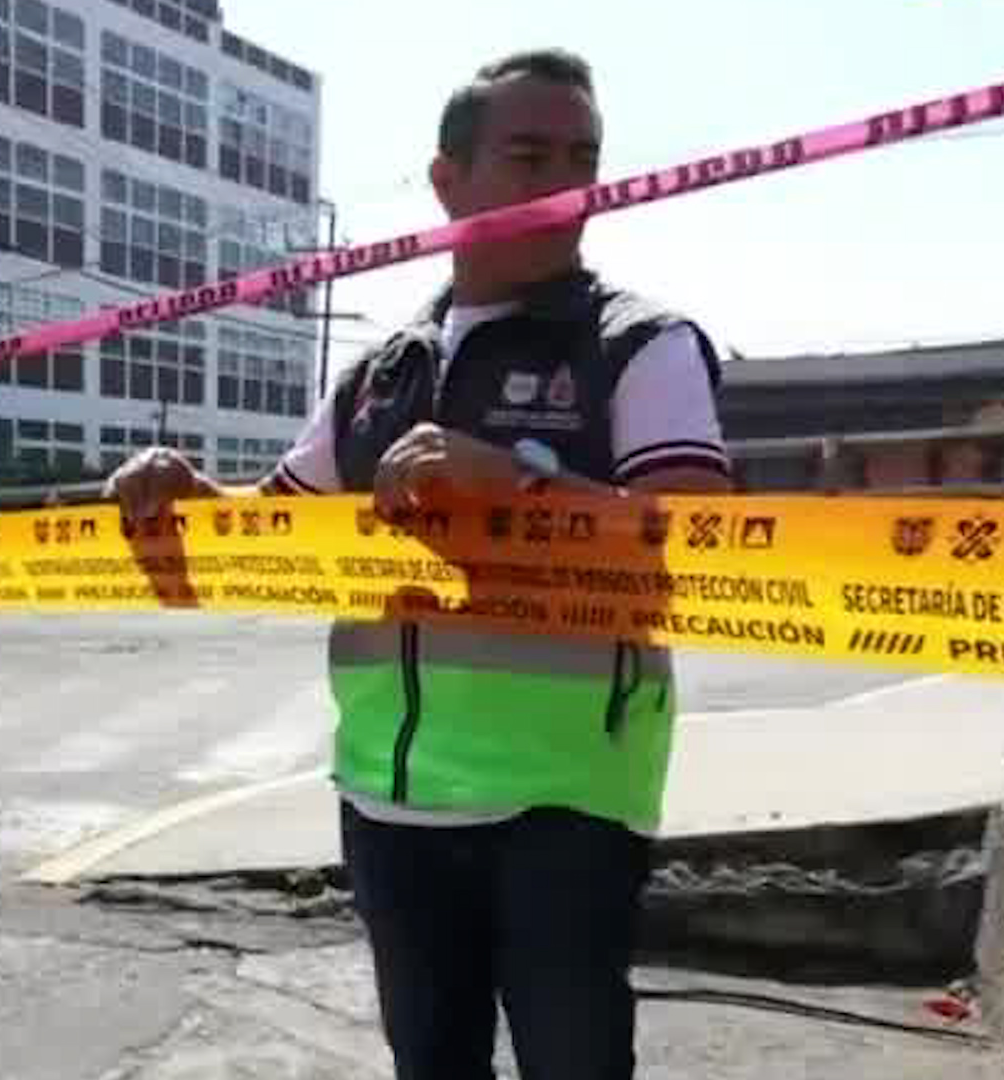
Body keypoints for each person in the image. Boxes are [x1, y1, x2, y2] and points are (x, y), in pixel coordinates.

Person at [106, 49, 733, 1080]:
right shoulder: (376, 375)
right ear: (447, 182)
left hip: (566, 799)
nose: (564, 187)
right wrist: (181, 492)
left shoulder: (638, 345)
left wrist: (522, 485)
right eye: (529, 156)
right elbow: (274, 535)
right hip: (388, 800)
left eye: (583, 159)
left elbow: (704, 550)